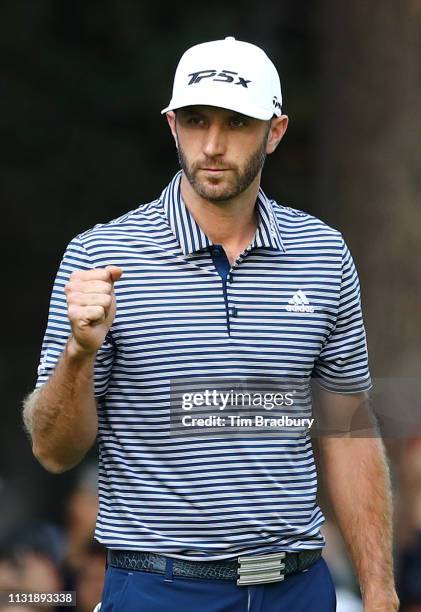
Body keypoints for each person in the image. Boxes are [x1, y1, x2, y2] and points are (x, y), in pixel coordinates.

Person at [23, 37, 399, 611]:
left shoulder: (321, 252)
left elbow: (348, 428)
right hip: (159, 588)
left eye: (237, 123)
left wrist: (378, 590)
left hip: (297, 588)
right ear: (173, 126)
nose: (214, 145)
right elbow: (55, 451)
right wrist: (79, 353)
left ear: (274, 132)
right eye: (197, 121)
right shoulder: (100, 255)